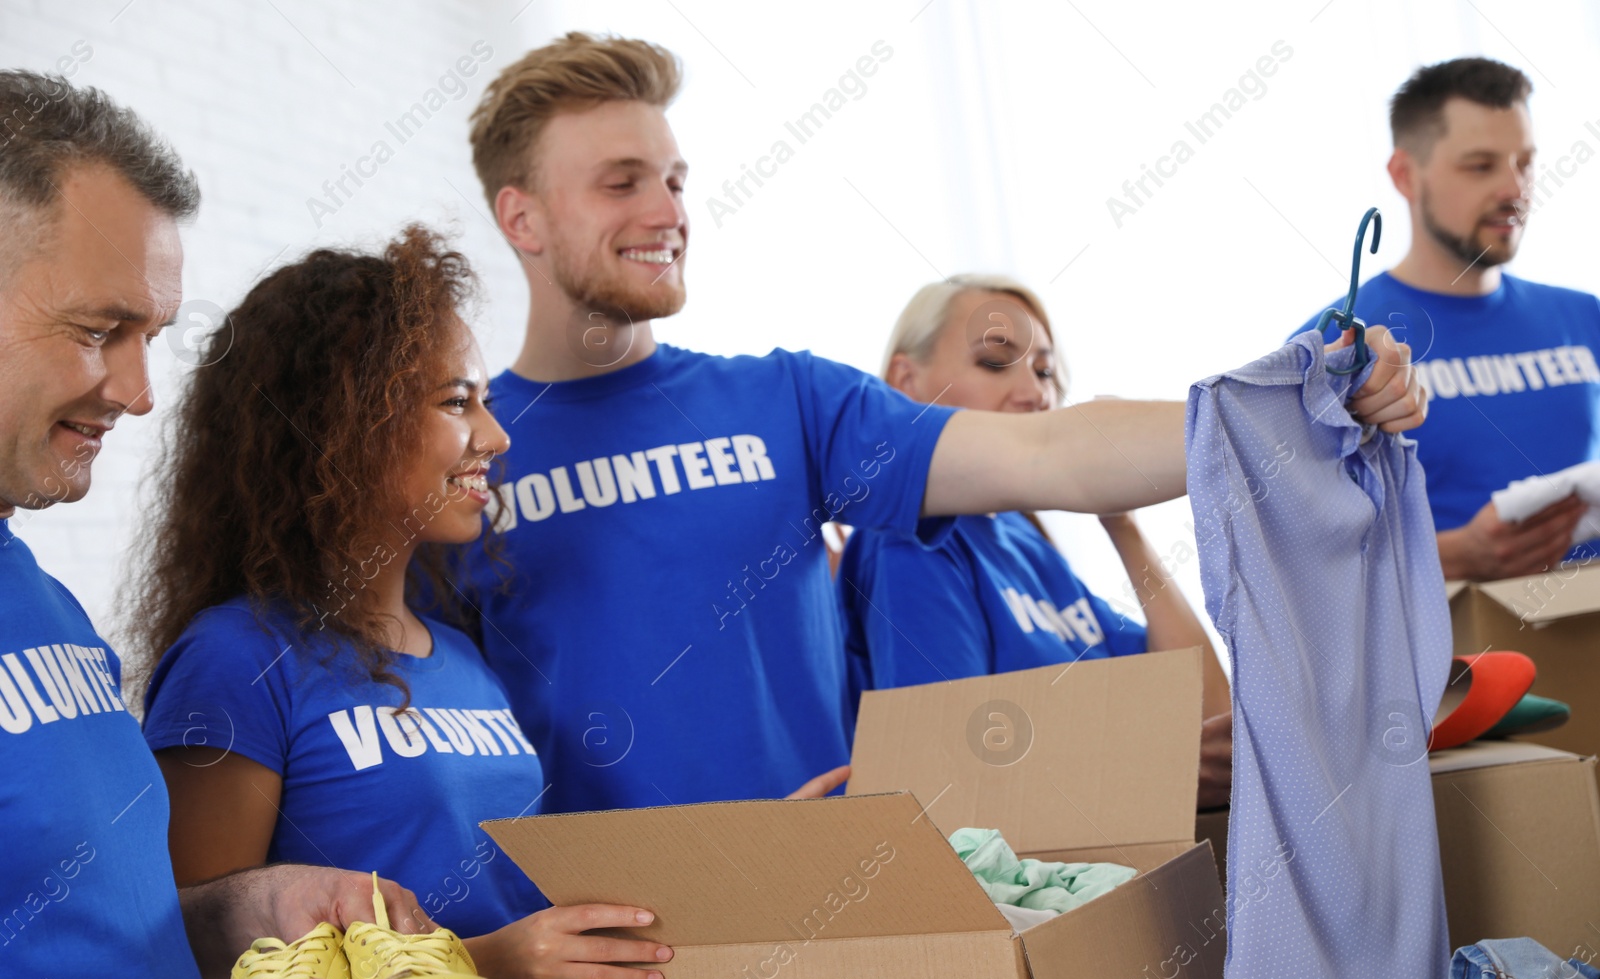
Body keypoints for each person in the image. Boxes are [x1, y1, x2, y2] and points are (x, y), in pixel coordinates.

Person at [457, 32, 1424, 820]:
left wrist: (1295, 407)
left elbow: (1051, 452)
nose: (667, 209)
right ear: (523, 218)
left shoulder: (786, 401)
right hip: (595, 965)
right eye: (621, 182)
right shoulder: (466, 455)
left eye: (674, 179)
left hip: (829, 906)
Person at [130, 226, 674, 979]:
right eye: (457, 402)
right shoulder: (234, 660)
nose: (496, 437)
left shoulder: (462, 658)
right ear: (342, 423)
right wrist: (489, 966)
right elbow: (193, 968)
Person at [0, 70, 434, 979]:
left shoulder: (46, 604)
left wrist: (253, 906)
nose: (140, 392)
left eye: (150, 336)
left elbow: (80, 925)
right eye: (99, 330)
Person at [836, 275, 1233, 808]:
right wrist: (1151, 765)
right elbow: (952, 777)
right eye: (995, 361)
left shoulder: (1030, 548)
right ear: (906, 381)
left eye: (1045, 371)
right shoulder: (911, 543)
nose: (1034, 394)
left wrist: (1124, 527)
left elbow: (1205, 713)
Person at [1291, 57, 1600, 581]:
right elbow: (1301, 563)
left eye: (1524, 162)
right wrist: (1457, 557)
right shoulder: (1340, 342)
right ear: (1405, 175)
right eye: (1481, 166)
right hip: (1452, 655)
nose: (1514, 188)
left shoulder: (1582, 316)